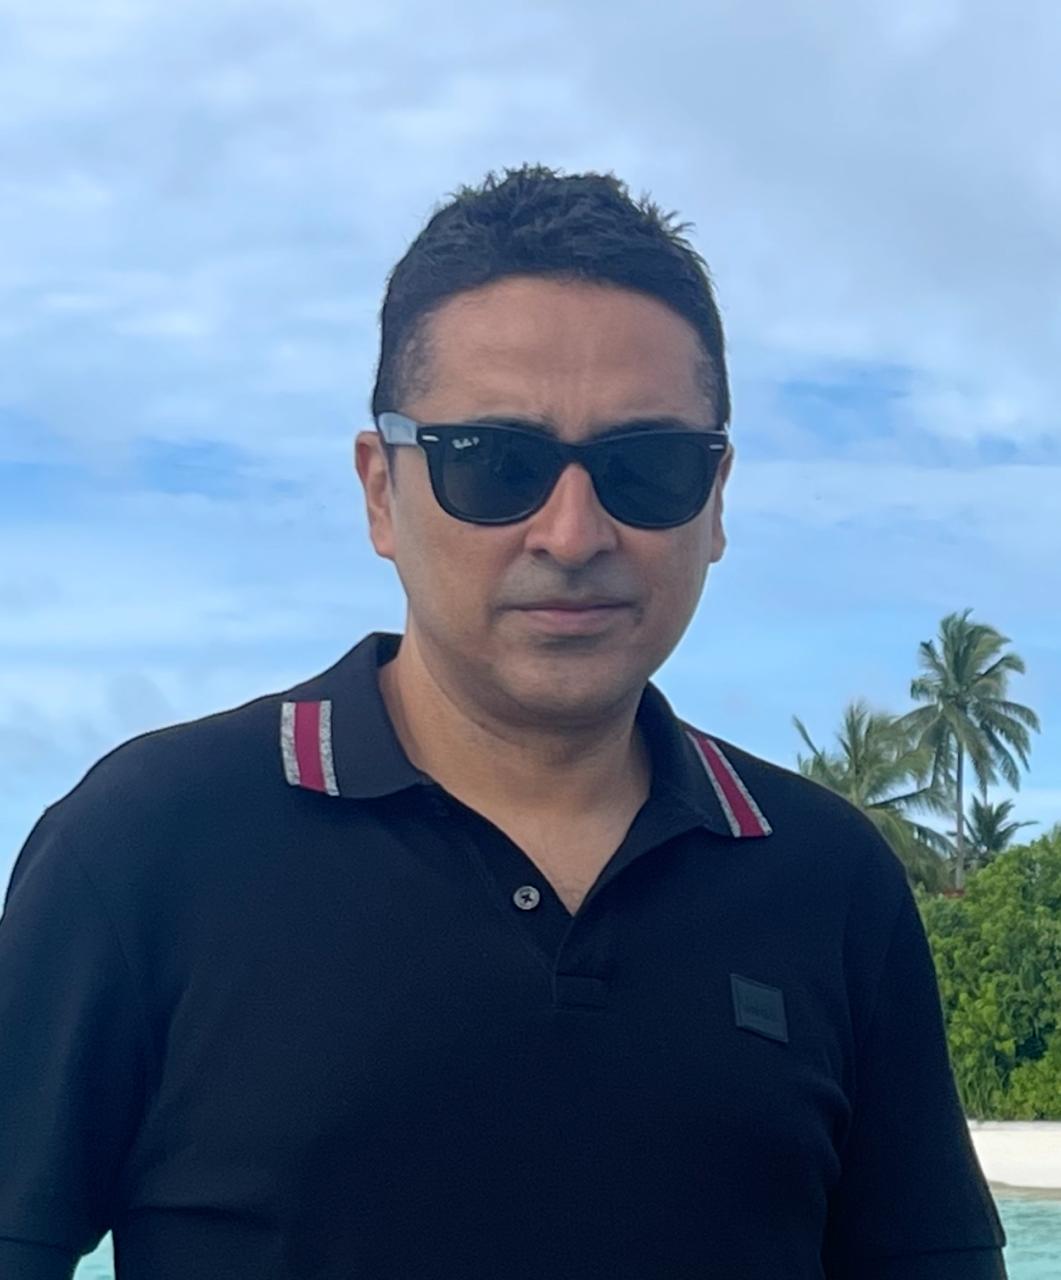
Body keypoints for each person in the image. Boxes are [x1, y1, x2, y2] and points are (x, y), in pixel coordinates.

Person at [0, 164, 1008, 1279]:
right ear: (380, 490)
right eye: (497, 465)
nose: (572, 533)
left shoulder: (829, 880)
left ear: (716, 499)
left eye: (645, 468)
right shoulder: (148, 844)